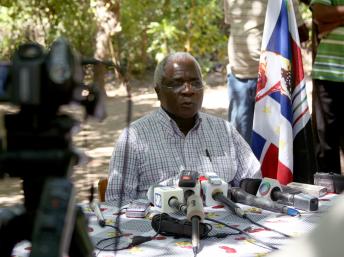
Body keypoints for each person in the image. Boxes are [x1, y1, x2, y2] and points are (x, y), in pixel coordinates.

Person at [105, 52, 261, 203]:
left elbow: (254, 181)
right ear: (158, 91)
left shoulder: (225, 131)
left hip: (228, 226)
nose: (188, 90)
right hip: (158, 227)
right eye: (177, 83)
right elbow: (116, 203)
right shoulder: (133, 138)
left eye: (195, 83)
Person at [223, 0, 309, 145]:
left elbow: (300, 32)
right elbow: (231, 23)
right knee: (240, 142)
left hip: (271, 78)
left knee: (271, 142)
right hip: (238, 75)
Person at [310, 0, 344, 174]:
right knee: (326, 145)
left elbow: (325, 19)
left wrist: (334, 19)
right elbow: (320, 13)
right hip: (327, 74)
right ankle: (330, 197)